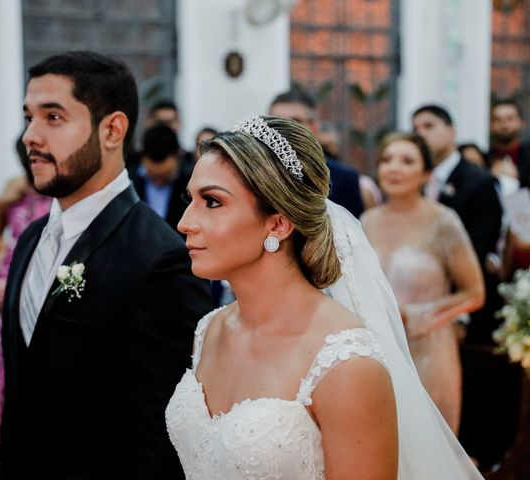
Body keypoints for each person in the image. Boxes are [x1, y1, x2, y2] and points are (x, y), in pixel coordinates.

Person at [166, 114, 485, 479]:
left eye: (211, 202)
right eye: (188, 199)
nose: (185, 222)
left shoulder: (345, 361)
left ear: (278, 223)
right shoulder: (209, 330)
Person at [0, 51, 214, 479]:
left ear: (112, 130)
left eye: (53, 118)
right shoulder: (28, 240)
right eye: (29, 117)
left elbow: (162, 435)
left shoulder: (161, 258)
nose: (30, 137)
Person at [413, 104, 520, 471]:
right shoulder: (417, 184)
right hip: (416, 316)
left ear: (451, 131)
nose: (421, 133)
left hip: (460, 316)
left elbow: (475, 248)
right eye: (416, 127)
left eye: (429, 125)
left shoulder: (476, 181)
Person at [362, 132, 484, 434]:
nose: (394, 168)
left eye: (407, 161)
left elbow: (474, 294)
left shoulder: (444, 221)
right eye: (387, 160)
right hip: (378, 350)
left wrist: (414, 315)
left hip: (429, 352)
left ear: (426, 174)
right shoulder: (366, 221)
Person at [0, 136, 51, 480]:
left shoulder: (58, 196)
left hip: (36, 295)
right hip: (2, 300)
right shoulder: (16, 191)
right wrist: (2, 201)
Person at [269, 88, 365, 217]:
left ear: (313, 127)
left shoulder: (345, 178)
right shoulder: (251, 172)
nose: (284, 128)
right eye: (276, 121)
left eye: (295, 121)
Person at [130, 124, 192, 232]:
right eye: (153, 177)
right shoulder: (129, 182)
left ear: (178, 157)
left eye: (165, 177)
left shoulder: (190, 183)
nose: (158, 183)